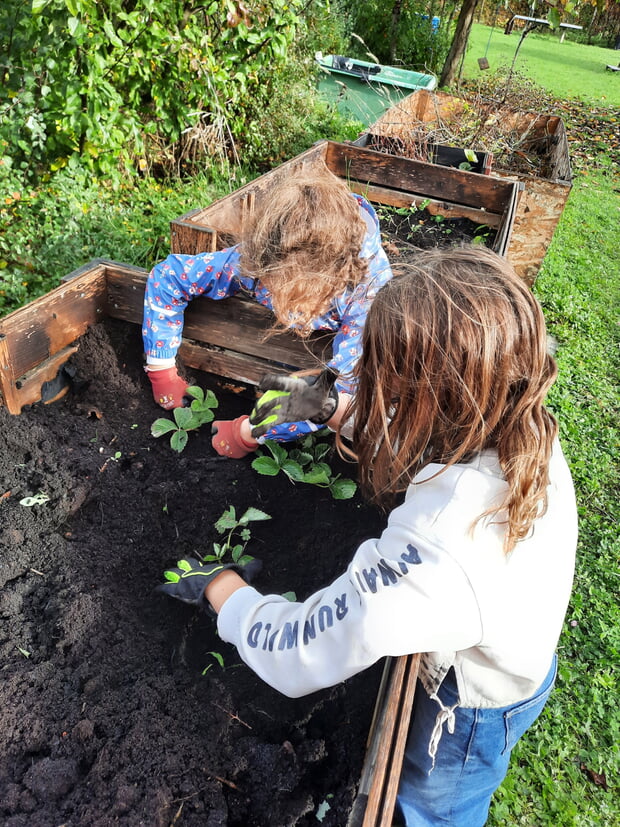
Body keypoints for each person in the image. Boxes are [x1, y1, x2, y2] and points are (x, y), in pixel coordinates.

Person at [157, 246, 578, 826]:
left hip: (466, 710)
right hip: (513, 651)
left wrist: (223, 590)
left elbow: (301, 651)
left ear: (433, 399)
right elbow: (429, 437)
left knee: (431, 809)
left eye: (395, 391)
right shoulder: (517, 425)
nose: (387, 399)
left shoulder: (442, 548)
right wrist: (333, 408)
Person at [142, 165, 393, 457]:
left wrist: (249, 432)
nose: (282, 311)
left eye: (292, 299)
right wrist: (162, 371)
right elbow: (168, 279)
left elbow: (336, 392)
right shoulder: (253, 261)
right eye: (268, 289)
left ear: (326, 284)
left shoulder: (367, 298)